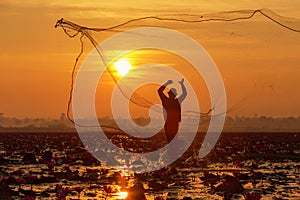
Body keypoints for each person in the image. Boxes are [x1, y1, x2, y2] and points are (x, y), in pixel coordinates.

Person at [158, 79, 187, 143]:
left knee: (171, 139)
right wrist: (182, 84)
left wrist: (167, 83)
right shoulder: (176, 101)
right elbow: (184, 94)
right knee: (172, 139)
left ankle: (173, 149)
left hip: (171, 122)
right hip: (172, 122)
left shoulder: (166, 100)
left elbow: (159, 91)